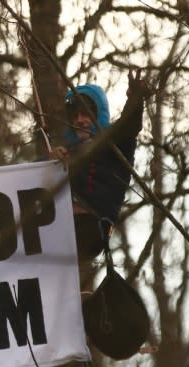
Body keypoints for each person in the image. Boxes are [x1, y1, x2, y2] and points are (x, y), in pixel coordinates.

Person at [49, 71, 152, 262]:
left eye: (87, 113)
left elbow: (129, 126)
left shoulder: (114, 143)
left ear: (100, 113)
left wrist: (135, 101)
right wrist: (50, 162)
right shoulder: (67, 151)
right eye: (75, 115)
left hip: (92, 229)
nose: (80, 120)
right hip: (59, 230)